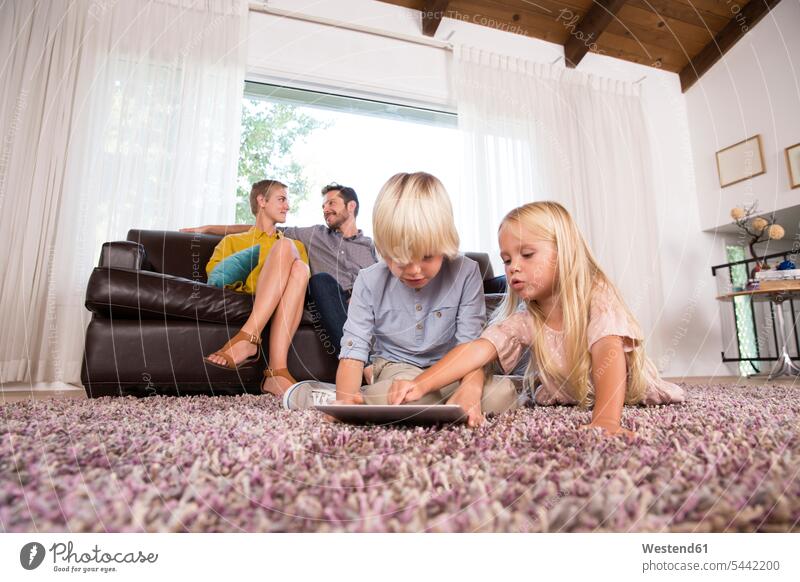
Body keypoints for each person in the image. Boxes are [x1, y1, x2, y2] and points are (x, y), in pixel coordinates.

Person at [388, 201, 685, 434]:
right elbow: (478, 349)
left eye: (527, 255)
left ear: (565, 252)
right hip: (572, 393)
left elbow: (608, 352)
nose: (513, 267)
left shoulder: (597, 296)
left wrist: (606, 420)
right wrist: (422, 384)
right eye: (506, 260)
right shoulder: (527, 319)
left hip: (624, 391)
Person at [283, 172, 521, 418]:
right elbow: (353, 353)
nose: (414, 270)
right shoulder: (369, 280)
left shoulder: (467, 271)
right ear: (383, 251)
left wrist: (471, 388)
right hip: (397, 369)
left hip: (453, 369)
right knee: (398, 397)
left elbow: (469, 347)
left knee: (502, 394)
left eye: (427, 256)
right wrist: (345, 400)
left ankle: (378, 399)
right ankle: (341, 396)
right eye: (399, 260)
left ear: (445, 243)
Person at [183, 183, 376, 356]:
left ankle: (369, 361)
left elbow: (382, 284)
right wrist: (208, 229)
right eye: (323, 206)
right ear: (262, 201)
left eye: (331, 204)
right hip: (330, 297)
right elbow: (261, 226)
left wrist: (361, 299)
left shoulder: (370, 247)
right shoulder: (312, 235)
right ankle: (362, 363)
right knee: (318, 279)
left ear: (351, 206)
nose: (325, 209)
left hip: (364, 304)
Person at [202, 179, 310, 396]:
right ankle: (275, 369)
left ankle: (254, 344)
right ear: (262, 201)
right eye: (281, 199)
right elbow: (215, 279)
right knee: (287, 249)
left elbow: (302, 287)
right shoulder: (232, 241)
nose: (287, 206)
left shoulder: (294, 245)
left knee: (298, 266)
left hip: (287, 300)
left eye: (287, 201)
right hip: (253, 296)